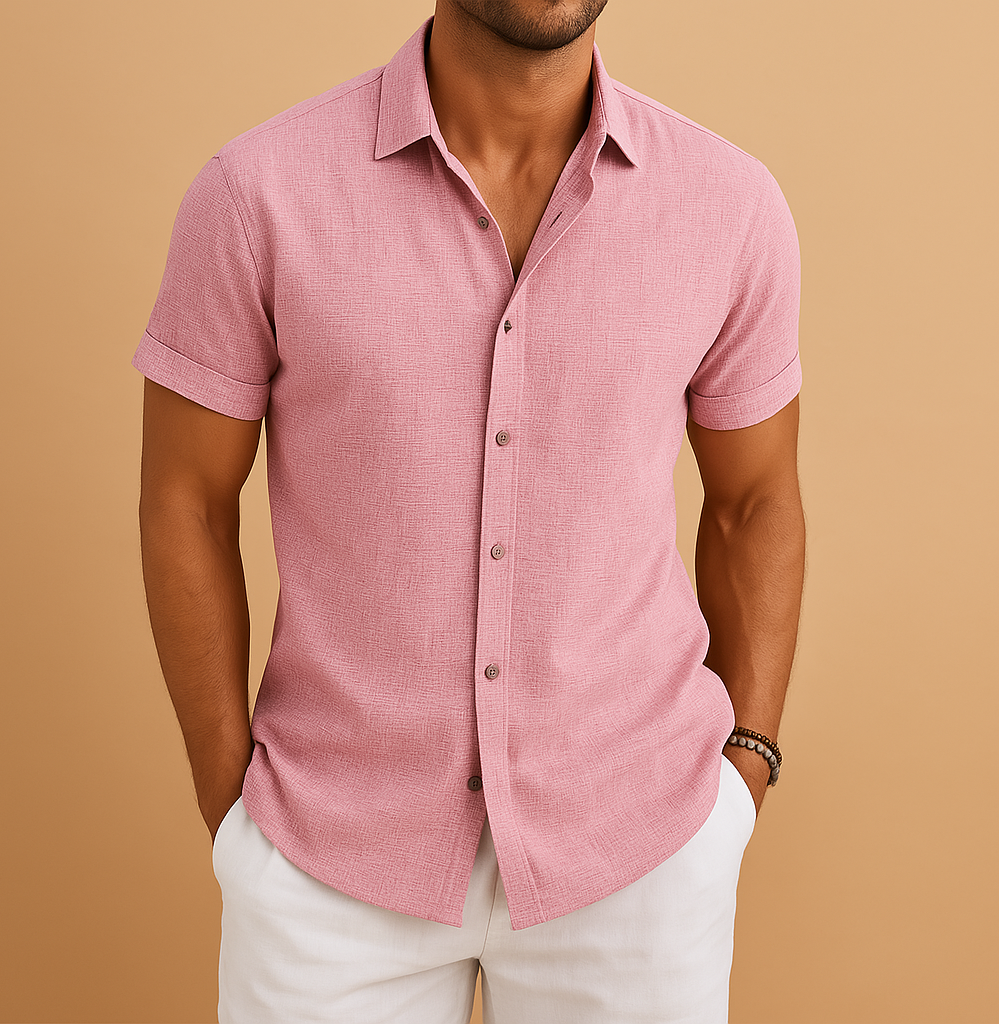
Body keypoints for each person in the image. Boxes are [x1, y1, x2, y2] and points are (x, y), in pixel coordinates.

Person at [135, 1, 805, 1021]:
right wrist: (234, 809)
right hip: (328, 856)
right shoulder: (256, 195)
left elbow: (753, 500)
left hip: (639, 855)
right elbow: (185, 494)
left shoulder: (729, 206)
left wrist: (740, 779)